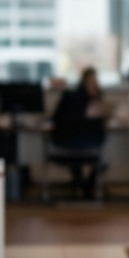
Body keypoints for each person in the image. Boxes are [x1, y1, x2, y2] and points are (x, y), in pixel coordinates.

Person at [52, 67, 110, 198]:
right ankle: (84, 186)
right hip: (80, 143)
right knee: (102, 153)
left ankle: (83, 185)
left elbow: (54, 119)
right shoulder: (73, 97)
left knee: (102, 154)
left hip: (68, 144)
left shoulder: (96, 99)